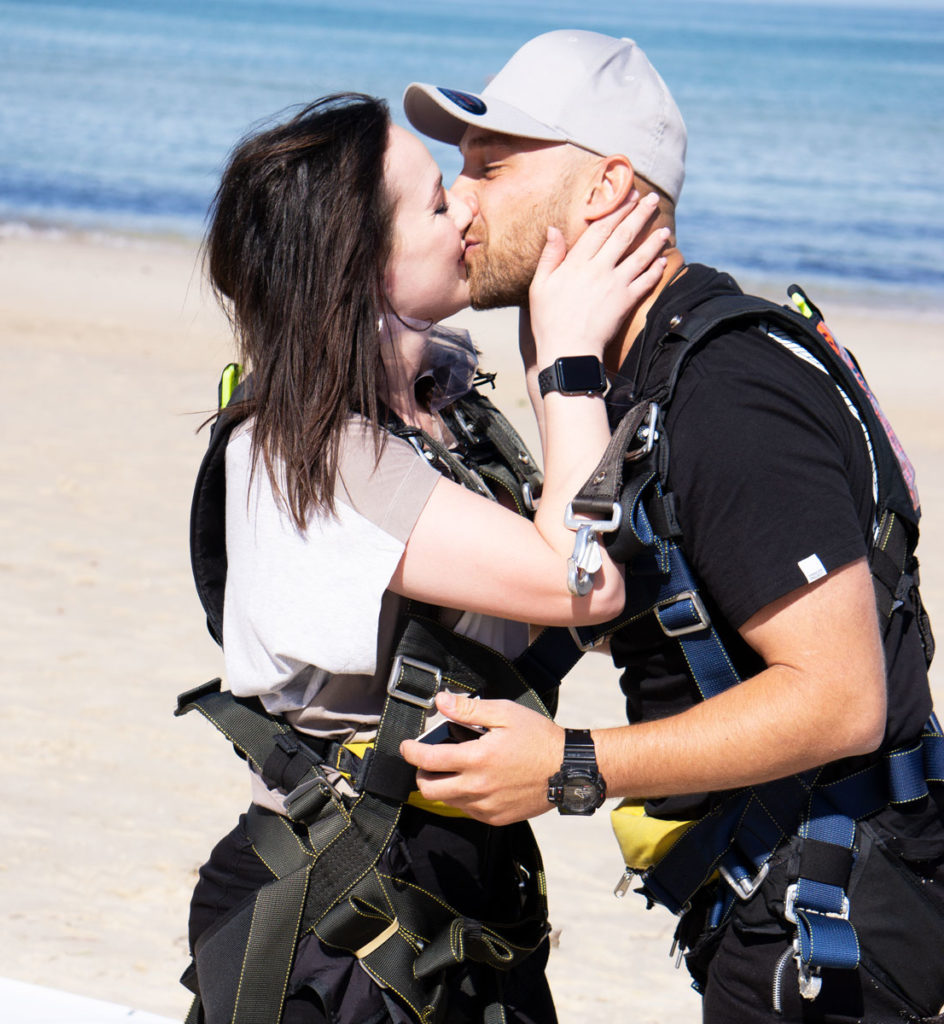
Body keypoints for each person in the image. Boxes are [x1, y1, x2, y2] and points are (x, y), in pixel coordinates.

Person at [400, 30, 944, 1023]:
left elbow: (842, 698)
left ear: (606, 188)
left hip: (832, 909)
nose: (458, 195)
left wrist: (570, 767)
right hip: (789, 890)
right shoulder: (629, 373)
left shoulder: (725, 392)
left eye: (491, 164)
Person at [179, 92, 670, 1024]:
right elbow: (582, 580)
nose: (470, 214)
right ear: (361, 262)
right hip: (342, 921)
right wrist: (566, 360)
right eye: (440, 204)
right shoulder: (313, 451)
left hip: (448, 896)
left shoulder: (438, 414)